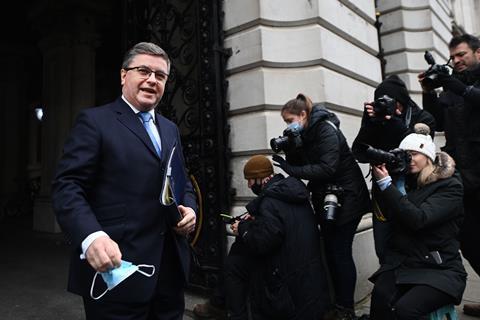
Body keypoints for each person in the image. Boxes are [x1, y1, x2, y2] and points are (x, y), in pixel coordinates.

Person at [51, 42, 197, 320]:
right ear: (123, 75)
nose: (152, 79)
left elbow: (182, 182)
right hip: (116, 271)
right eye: (143, 70)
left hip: (169, 273)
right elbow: (67, 186)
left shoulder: (170, 129)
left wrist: (190, 208)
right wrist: (91, 237)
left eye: (160, 75)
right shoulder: (95, 121)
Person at [272, 94, 371, 320]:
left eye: (290, 120)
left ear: (303, 115)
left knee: (340, 253)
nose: (288, 125)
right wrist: (292, 147)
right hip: (330, 197)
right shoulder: (307, 132)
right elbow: (303, 162)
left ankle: (346, 308)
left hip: (346, 198)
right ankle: (338, 305)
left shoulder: (325, 129)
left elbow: (326, 168)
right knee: (332, 253)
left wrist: (292, 169)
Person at [369, 126, 467, 319]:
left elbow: (419, 219)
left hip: (440, 268)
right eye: (405, 155)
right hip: (407, 262)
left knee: (406, 309)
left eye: (414, 154)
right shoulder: (406, 182)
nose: (409, 159)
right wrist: (387, 182)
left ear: (428, 156)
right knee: (380, 299)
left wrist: (387, 185)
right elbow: (388, 217)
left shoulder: (450, 186)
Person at [419, 33, 480, 317]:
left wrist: (452, 83)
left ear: (478, 54)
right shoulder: (452, 88)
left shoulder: (463, 84)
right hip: (463, 177)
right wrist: (429, 91)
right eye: (453, 57)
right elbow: (436, 121)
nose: (456, 61)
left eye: (462, 55)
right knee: (467, 239)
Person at [225, 155, 330, 320]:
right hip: (311, 284)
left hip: (288, 289)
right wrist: (255, 221)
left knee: (235, 262)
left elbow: (262, 243)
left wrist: (242, 228)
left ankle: (235, 314)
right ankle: (219, 302)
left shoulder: (269, 202)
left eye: (251, 180)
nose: (249, 185)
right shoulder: (290, 191)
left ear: (261, 178)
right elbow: (283, 225)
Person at [352, 75, 435, 264]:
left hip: (411, 190)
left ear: (401, 102)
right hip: (382, 190)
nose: (386, 106)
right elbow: (359, 153)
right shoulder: (377, 121)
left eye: (390, 101)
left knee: (410, 243)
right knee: (382, 248)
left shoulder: (422, 119)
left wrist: (394, 124)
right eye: (382, 101)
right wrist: (368, 124)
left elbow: (415, 157)